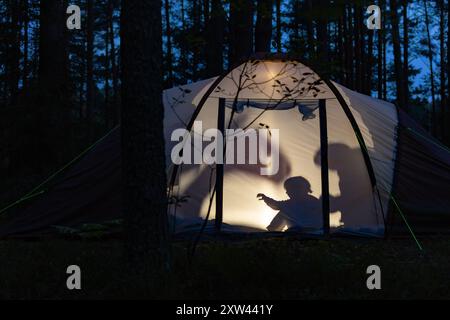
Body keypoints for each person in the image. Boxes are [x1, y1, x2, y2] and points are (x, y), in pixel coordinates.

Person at [257, 176, 321, 232]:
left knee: (283, 212)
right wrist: (266, 199)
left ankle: (273, 232)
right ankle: (273, 232)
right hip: (296, 231)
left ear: (307, 189)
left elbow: (277, 205)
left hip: (312, 231)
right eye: (290, 189)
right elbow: (277, 205)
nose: (294, 191)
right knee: (283, 213)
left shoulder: (314, 202)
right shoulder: (289, 204)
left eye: (297, 187)